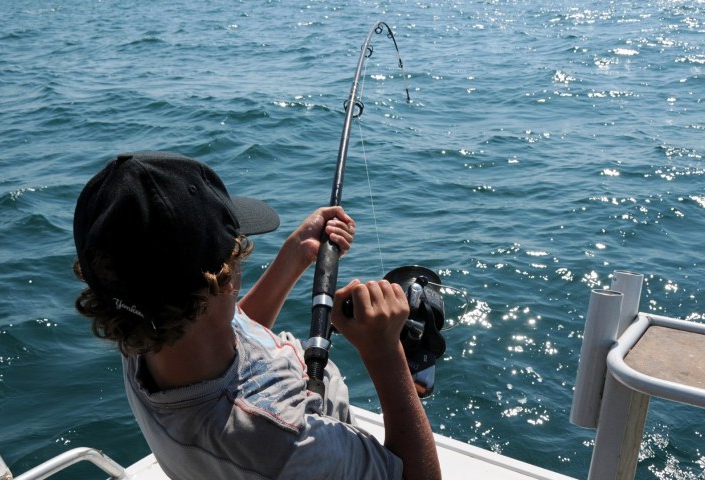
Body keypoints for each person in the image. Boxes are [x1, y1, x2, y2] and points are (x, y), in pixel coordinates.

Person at [73, 151, 441, 480]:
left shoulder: (142, 329)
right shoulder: (284, 442)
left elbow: (224, 329)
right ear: (223, 278)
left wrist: (296, 254)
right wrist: (384, 352)